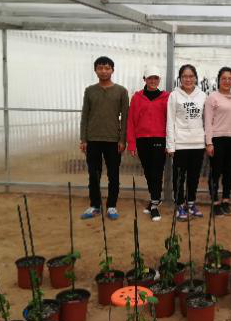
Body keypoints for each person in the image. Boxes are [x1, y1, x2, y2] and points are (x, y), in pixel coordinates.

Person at [79, 56, 129, 220]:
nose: (104, 71)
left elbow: (125, 117)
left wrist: (122, 140)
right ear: (95, 70)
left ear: (112, 70)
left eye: (107, 68)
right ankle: (95, 206)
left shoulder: (121, 91)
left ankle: (111, 206)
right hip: (93, 139)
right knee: (94, 175)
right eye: (100, 68)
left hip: (113, 140)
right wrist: (83, 139)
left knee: (113, 175)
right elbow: (85, 116)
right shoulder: (90, 91)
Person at [126, 66, 170, 222]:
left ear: (159, 80)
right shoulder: (137, 97)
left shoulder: (166, 97)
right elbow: (131, 121)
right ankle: (154, 198)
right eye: (150, 78)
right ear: (144, 79)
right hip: (142, 140)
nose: (153, 81)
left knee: (156, 172)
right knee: (148, 171)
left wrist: (170, 142)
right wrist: (131, 143)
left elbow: (170, 121)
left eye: (155, 78)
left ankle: (154, 205)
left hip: (159, 139)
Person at [166, 64, 207, 221]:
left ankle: (191, 203)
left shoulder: (202, 96)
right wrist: (170, 145)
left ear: (195, 78)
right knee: (179, 177)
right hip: (180, 144)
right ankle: (179, 205)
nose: (188, 79)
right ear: (180, 78)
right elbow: (170, 121)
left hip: (198, 143)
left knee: (194, 176)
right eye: (184, 76)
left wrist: (207, 141)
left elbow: (206, 120)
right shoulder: (174, 96)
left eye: (191, 76)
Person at [204, 67, 231, 216]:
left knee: (229, 172)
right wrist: (209, 142)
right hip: (217, 139)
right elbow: (207, 121)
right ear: (219, 80)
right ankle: (215, 202)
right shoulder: (212, 97)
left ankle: (226, 200)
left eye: (230, 78)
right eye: (224, 78)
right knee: (215, 172)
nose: (227, 81)